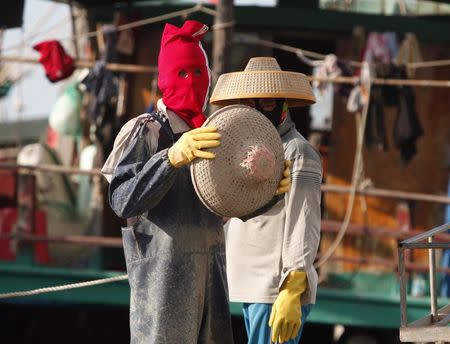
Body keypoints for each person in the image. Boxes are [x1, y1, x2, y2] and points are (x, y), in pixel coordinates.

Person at [101, 23, 290, 344]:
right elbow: (121, 199)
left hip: (212, 277)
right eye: (184, 74)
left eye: (200, 74)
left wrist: (268, 191)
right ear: (166, 78)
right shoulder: (145, 130)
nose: (194, 83)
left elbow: (229, 205)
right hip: (161, 280)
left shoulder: (217, 133)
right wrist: (169, 159)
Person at [210, 57, 322, 344]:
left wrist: (293, 285)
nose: (259, 111)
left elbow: (304, 220)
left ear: (283, 104)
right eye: (252, 104)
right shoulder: (246, 153)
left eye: (269, 103)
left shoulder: (298, 152)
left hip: (275, 288)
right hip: (250, 286)